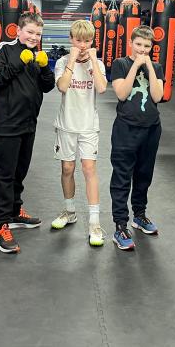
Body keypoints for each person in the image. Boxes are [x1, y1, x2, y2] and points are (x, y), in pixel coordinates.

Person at [0, 12, 55, 253]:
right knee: (5, 174)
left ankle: (15, 211)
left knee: (20, 171)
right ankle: (0, 226)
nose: (33, 37)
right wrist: (19, 61)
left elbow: (47, 87)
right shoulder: (5, 49)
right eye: (29, 32)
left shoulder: (37, 55)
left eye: (38, 34)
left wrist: (45, 66)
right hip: (7, 123)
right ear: (18, 31)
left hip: (29, 122)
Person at [50, 20, 108, 246]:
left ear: (92, 41)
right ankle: (69, 211)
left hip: (88, 126)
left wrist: (93, 60)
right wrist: (72, 60)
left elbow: (102, 89)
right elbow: (63, 87)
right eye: (78, 40)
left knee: (89, 168)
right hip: (66, 124)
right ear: (71, 39)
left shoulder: (98, 64)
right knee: (67, 168)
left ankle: (94, 222)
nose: (83, 44)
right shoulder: (64, 62)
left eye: (87, 41)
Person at [109, 25, 164, 251]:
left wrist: (149, 67)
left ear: (151, 48)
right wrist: (136, 66)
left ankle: (139, 215)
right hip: (126, 128)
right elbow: (122, 94)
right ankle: (120, 225)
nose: (142, 49)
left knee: (144, 175)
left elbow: (157, 96)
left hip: (151, 128)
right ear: (131, 43)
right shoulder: (120, 64)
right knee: (122, 176)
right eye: (139, 44)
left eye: (147, 46)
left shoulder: (157, 67)